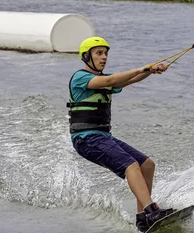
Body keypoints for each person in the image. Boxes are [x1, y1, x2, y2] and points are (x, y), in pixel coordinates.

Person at [67, 36, 174, 232]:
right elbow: (111, 79)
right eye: (99, 53)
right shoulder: (80, 78)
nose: (104, 57)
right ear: (86, 56)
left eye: (106, 53)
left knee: (146, 165)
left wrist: (150, 71)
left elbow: (128, 80)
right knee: (131, 165)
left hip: (101, 137)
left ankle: (143, 218)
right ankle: (152, 210)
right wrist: (142, 67)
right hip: (85, 139)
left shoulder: (103, 80)